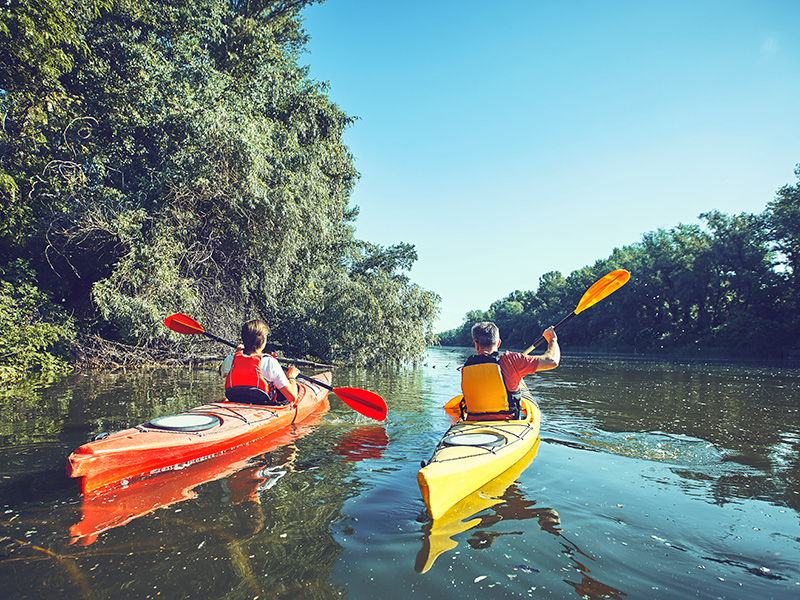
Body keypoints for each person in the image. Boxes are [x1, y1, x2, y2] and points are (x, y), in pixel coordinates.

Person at [460, 321, 560, 420]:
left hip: (473, 422)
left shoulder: (466, 367)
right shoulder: (511, 360)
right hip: (508, 422)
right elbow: (552, 361)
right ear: (498, 343)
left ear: (476, 345)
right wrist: (552, 340)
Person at [221, 319, 300, 405]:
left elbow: (222, 373)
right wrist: (291, 377)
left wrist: (238, 353)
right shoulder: (269, 362)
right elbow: (292, 397)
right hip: (263, 407)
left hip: (236, 403)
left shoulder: (231, 359)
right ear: (263, 341)